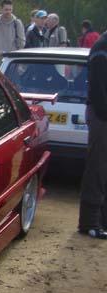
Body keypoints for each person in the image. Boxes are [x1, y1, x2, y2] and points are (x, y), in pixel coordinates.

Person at [78, 31, 107, 239]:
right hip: (101, 116)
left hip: (101, 114)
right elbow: (98, 91)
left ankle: (101, 221)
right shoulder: (101, 50)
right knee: (97, 168)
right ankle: (91, 223)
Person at [0, 0, 25, 67]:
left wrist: (12, 54)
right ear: (1, 9)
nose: (8, 12)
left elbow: (21, 43)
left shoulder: (17, 23)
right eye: (6, 9)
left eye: (10, 10)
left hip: (12, 61)